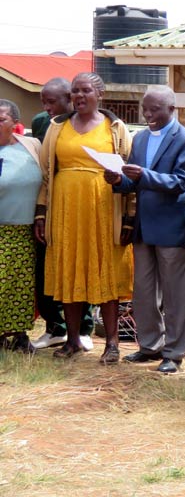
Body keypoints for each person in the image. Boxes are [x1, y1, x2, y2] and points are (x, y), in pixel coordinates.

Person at [35, 72, 135, 363]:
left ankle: (113, 343)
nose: (80, 96)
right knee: (70, 270)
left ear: (99, 95)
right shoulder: (56, 127)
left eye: (86, 91)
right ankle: (73, 339)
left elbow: (129, 171)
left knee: (106, 271)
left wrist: (129, 216)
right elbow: (46, 175)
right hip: (65, 209)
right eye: (76, 91)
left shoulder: (115, 128)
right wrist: (41, 213)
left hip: (104, 208)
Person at [106, 88, 185, 374]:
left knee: (175, 294)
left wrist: (144, 175)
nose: (148, 115)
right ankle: (149, 345)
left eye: (155, 109)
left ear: (171, 107)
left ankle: (174, 352)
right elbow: (133, 183)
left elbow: (180, 183)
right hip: (144, 226)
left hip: (171, 226)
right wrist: (117, 180)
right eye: (145, 108)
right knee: (143, 292)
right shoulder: (141, 138)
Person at [30, 77, 89, 350]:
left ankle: (84, 327)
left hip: (80, 204)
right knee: (46, 268)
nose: (46, 107)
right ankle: (55, 327)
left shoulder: (87, 122)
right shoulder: (43, 122)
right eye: (43, 101)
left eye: (51, 101)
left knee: (80, 265)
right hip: (50, 202)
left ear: (69, 97)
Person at [0, 100, 43, 352]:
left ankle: (18, 334)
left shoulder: (32, 146)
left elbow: (45, 182)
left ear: (15, 124)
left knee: (21, 283)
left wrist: (40, 215)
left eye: (1, 119)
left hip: (24, 228)